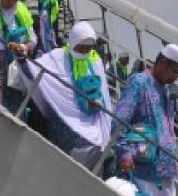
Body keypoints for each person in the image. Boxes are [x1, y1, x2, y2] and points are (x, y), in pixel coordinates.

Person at [114, 43, 178, 196]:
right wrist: (123, 152)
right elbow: (120, 119)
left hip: (164, 169)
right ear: (162, 62)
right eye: (175, 72)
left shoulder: (166, 90)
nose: (176, 78)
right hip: (142, 167)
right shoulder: (139, 82)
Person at [21, 22, 112, 169]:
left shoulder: (95, 61)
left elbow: (105, 97)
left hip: (90, 128)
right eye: (81, 47)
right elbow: (33, 71)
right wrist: (21, 58)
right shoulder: (57, 58)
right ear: (73, 41)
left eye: (88, 48)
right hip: (61, 124)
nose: (84, 52)